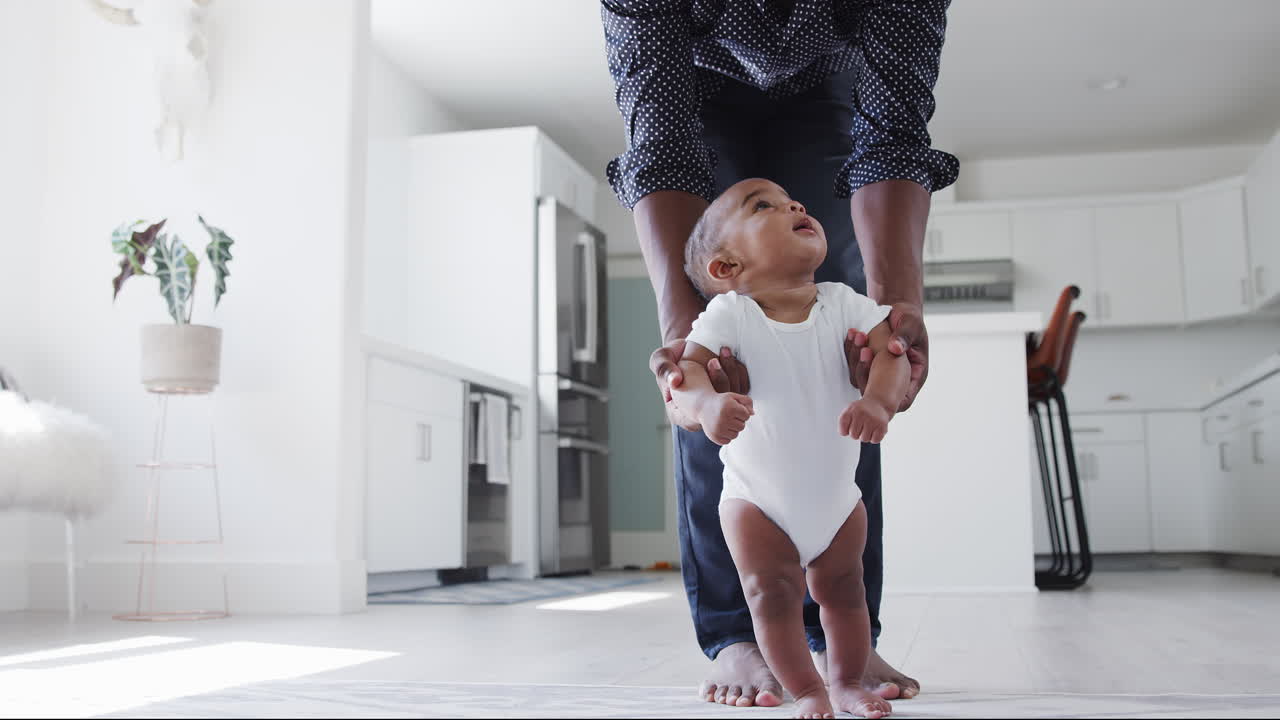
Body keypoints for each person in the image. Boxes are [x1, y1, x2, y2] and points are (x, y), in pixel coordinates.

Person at [600, 0, 959, 707]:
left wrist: (894, 308)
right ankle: (738, 632)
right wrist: (689, 342)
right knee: (717, 377)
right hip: (695, 96)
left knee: (843, 365)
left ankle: (839, 633)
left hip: (829, 91)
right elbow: (662, 137)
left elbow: (891, 132)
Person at [674, 177, 910, 719]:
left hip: (836, 499)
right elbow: (686, 369)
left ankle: (847, 681)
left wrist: (878, 401)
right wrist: (707, 406)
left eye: (793, 201)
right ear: (725, 268)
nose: (796, 205)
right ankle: (806, 690)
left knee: (846, 591)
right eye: (765, 207)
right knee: (770, 595)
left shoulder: (843, 301)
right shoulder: (730, 313)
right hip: (756, 501)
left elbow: (891, 352)